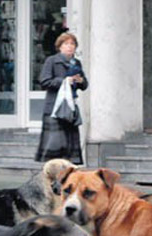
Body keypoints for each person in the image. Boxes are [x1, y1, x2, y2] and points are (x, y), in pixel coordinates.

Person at [35, 32, 88, 164]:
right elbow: (44, 81)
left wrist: (81, 81)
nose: (70, 46)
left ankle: (69, 171)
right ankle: (53, 171)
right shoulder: (52, 61)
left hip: (70, 108)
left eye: (72, 44)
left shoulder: (76, 63)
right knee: (55, 145)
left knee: (70, 146)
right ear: (60, 47)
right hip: (55, 107)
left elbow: (84, 85)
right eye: (66, 44)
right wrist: (64, 81)